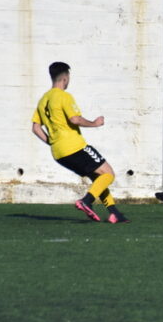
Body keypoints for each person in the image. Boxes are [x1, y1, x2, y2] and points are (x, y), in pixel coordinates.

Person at [31, 61, 129, 224]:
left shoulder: (43, 100)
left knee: (98, 178)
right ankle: (86, 201)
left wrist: (53, 142)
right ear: (65, 78)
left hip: (58, 153)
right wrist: (95, 123)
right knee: (108, 174)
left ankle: (114, 214)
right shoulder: (64, 96)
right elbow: (75, 119)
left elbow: (35, 128)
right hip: (75, 147)